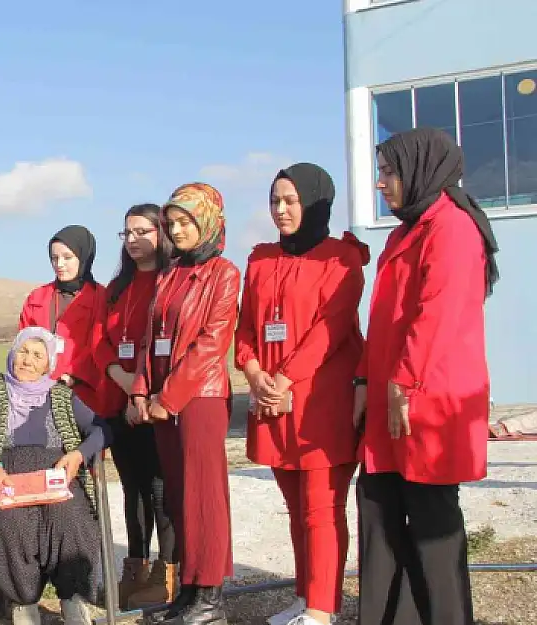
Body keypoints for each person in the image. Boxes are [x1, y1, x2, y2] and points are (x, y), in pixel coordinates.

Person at [355, 128, 499, 625]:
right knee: (379, 512)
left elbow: (436, 314)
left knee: (434, 530)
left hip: (427, 404)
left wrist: (402, 385)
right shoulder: (405, 231)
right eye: (380, 172)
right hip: (394, 400)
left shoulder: (453, 229)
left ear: (422, 170)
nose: (381, 183)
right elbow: (383, 319)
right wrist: (365, 385)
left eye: (390, 172)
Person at [234, 164, 369, 625]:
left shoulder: (341, 258)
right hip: (272, 398)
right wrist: (254, 374)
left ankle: (323, 606)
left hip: (319, 400)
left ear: (315, 203)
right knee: (295, 509)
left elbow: (330, 329)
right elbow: (247, 326)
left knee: (322, 508)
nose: (281, 209)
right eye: (275, 200)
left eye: (291, 201)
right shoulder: (260, 258)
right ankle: (303, 594)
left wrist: (285, 379)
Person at [131, 183, 240, 625]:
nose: (176, 231)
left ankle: (210, 598)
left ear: (208, 221)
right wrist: (141, 389)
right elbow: (149, 337)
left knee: (204, 497)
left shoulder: (224, 273)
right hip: (161, 401)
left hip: (199, 398)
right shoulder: (169, 274)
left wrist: (169, 397)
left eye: (185, 222)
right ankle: (189, 593)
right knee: (178, 498)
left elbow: (211, 343)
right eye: (171, 223)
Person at [0, 327, 109, 625]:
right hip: (9, 477)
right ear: (12, 354)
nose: (27, 361)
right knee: (9, 525)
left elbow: (102, 429)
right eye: (23, 352)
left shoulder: (61, 395)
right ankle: (23, 602)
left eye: (37, 355)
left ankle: (72, 599)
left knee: (71, 521)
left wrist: (77, 455)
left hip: (56, 477)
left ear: (48, 364)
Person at [84, 204, 177, 609]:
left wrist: (143, 391)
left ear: (161, 233)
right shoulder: (116, 288)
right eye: (127, 233)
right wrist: (123, 383)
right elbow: (100, 340)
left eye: (143, 231)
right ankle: (135, 572)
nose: (135, 239)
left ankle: (168, 573)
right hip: (121, 403)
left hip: (157, 401)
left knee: (161, 492)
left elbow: (165, 344)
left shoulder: (171, 281)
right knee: (133, 490)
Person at [19, 225, 107, 396]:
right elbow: (24, 341)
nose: (59, 264)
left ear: (83, 257)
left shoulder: (102, 297)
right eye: (54, 258)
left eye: (67, 257)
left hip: (85, 392)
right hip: (37, 390)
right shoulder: (36, 298)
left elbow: (100, 345)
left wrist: (72, 375)